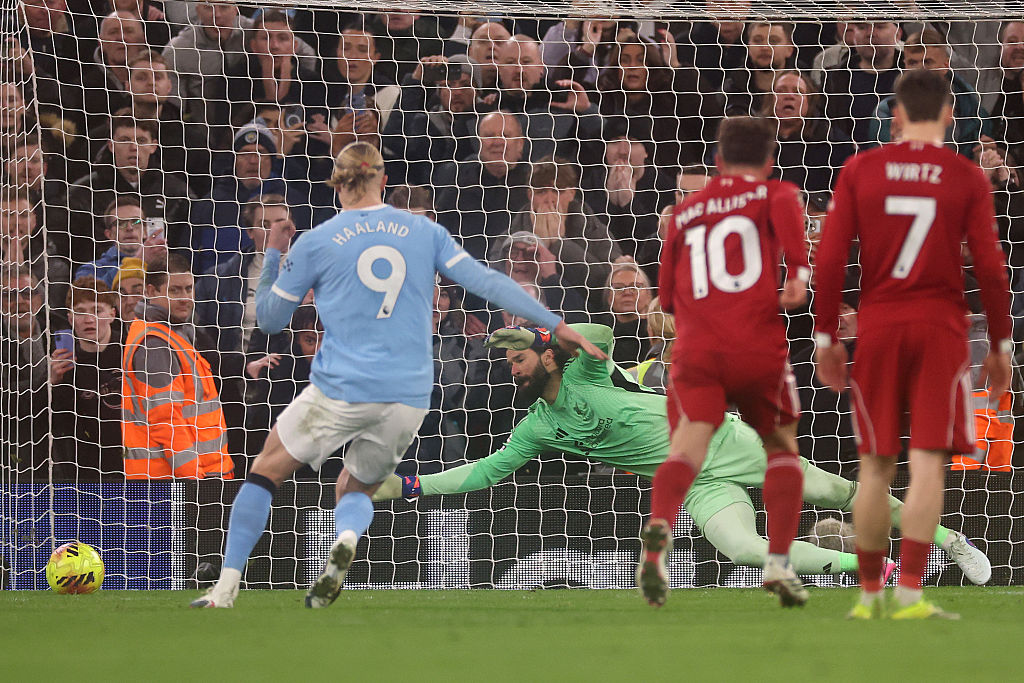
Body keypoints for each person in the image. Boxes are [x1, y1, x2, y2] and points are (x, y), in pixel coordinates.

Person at [189, 141, 604, 609]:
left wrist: (271, 254)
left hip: (342, 385)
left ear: (338, 186)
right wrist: (557, 325)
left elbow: (267, 319)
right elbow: (488, 281)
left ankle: (225, 586)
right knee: (355, 485)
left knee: (265, 471)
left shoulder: (318, 240)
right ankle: (345, 542)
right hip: (408, 394)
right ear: (383, 181)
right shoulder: (423, 232)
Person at [371, 323, 993, 588]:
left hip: (722, 437)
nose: (511, 370)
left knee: (834, 494)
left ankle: (948, 539)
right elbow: (486, 471)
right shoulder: (536, 426)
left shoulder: (591, 369)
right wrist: (411, 486)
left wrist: (547, 331)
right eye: (505, 363)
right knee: (748, 550)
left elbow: (603, 336)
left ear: (545, 355)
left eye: (518, 358)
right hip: (697, 484)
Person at [814, 69, 1012, 620]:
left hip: (878, 327)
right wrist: (1000, 344)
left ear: (895, 115)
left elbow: (829, 258)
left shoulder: (861, 169)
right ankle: (909, 594)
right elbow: (992, 270)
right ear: (950, 113)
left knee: (874, 465)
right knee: (926, 463)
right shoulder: (966, 177)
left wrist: (826, 333)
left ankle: (870, 593)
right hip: (942, 330)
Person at [643, 116, 810, 609]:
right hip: (756, 349)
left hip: (696, 352)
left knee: (685, 453)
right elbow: (798, 284)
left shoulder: (686, 212)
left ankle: (658, 536)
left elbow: (667, 300)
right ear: (769, 161)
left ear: (717, 162)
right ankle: (778, 562)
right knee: (782, 450)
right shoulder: (777, 195)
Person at [121, 253, 235, 480]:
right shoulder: (154, 343)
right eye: (174, 290)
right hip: (176, 481)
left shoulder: (172, 333)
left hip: (194, 474)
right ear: (151, 292)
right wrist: (193, 480)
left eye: (188, 289)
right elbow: (166, 421)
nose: (185, 298)